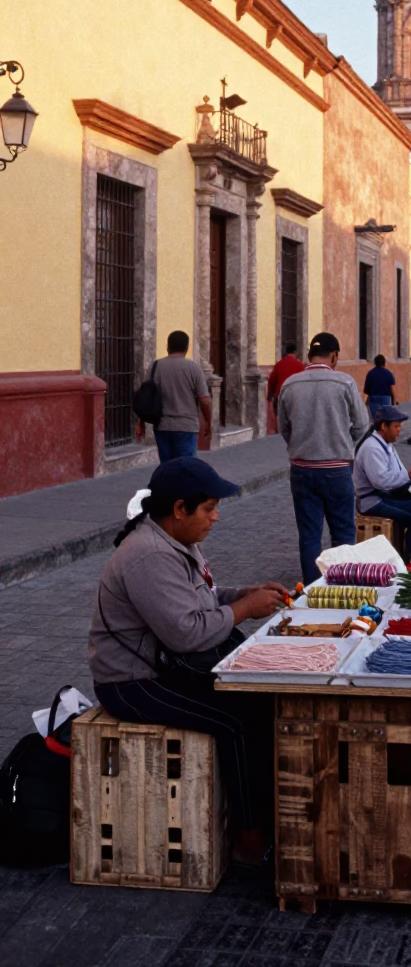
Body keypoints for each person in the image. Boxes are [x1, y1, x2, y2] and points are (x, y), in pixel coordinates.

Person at [89, 457, 288, 864]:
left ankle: (266, 815)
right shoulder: (148, 555)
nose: (215, 518)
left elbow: (202, 599)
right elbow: (187, 632)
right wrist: (246, 608)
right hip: (132, 682)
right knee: (235, 722)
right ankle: (248, 839)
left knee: (260, 700)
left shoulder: (176, 541)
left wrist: (242, 593)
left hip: (167, 666)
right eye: (209, 508)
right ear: (180, 509)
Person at [278, 332, 367, 582]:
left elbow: (284, 428)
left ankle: (311, 589)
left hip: (302, 469)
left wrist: (300, 444)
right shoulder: (344, 382)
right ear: (335, 355)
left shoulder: (290, 384)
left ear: (309, 355)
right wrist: (342, 441)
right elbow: (361, 424)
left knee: (309, 534)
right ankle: (343, 585)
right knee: (343, 532)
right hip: (337, 467)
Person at [353, 406, 411, 560]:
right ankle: (410, 561)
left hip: (387, 495)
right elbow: (381, 482)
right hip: (373, 501)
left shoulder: (386, 443)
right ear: (383, 427)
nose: (399, 430)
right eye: (396, 426)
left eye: (400, 426)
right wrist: (408, 474)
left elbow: (397, 473)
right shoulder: (372, 448)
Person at [137, 330, 211, 462]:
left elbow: (145, 397)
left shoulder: (155, 366)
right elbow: (204, 400)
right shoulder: (193, 368)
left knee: (167, 468)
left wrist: (141, 423)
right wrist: (208, 423)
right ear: (186, 348)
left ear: (167, 347)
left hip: (162, 426)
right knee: (187, 468)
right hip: (186, 426)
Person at [266, 343, 305, 421]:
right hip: (295, 396)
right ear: (296, 353)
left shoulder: (279, 364)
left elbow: (272, 380)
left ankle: (279, 432)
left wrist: (269, 396)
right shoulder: (300, 365)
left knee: (279, 417)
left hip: (280, 395)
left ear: (286, 352)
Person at [363, 354, 397, 418]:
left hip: (373, 398)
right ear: (384, 363)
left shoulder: (370, 373)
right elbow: (392, 392)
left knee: (374, 419)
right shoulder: (389, 373)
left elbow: (366, 390)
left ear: (375, 363)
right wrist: (393, 405)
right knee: (385, 419)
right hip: (385, 399)